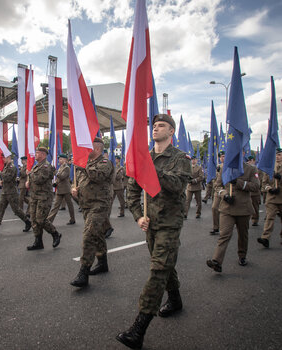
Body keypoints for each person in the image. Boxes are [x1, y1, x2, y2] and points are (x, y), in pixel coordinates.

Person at [116, 114, 191, 350]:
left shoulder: (180, 158)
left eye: (161, 126)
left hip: (170, 223)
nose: (155, 128)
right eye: (154, 125)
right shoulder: (144, 158)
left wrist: (151, 170)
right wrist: (139, 216)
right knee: (164, 265)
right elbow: (132, 192)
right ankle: (176, 300)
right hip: (151, 223)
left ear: (171, 131)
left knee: (158, 270)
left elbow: (178, 185)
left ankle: (139, 328)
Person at [70, 138, 114, 287]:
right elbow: (79, 182)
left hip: (100, 205)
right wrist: (74, 190)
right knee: (98, 234)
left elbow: (98, 176)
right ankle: (102, 263)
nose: (83, 150)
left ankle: (84, 271)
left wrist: (82, 165)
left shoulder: (105, 163)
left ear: (96, 149)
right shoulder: (85, 165)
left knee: (89, 235)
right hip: (87, 205)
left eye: (87, 147)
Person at [207, 154, 259, 272]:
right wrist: (224, 195)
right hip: (227, 207)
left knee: (243, 235)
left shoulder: (251, 169)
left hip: (243, 208)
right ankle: (217, 261)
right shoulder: (226, 168)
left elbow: (256, 186)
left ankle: (242, 255)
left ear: (243, 153)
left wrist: (239, 182)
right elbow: (218, 185)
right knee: (224, 234)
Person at [26, 147, 61, 250]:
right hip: (34, 196)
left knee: (40, 219)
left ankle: (55, 234)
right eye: (36, 153)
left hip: (44, 196)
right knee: (33, 220)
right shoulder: (36, 166)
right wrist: (29, 179)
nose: (35, 155)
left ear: (44, 155)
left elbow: (39, 179)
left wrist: (30, 175)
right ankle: (38, 242)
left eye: (37, 153)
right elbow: (33, 178)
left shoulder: (46, 166)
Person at [0, 154, 31, 235]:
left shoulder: (12, 167)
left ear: (8, 158)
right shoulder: (6, 167)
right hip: (5, 191)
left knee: (16, 210)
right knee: (0, 209)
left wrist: (0, 173)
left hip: (11, 192)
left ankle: (27, 222)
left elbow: (9, 178)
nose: (3, 159)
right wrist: (2, 181)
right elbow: (6, 179)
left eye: (4, 158)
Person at [257, 148, 282, 248]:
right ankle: (265, 237)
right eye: (276, 155)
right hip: (272, 198)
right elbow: (264, 183)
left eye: (279, 155)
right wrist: (269, 189)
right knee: (269, 217)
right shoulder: (269, 167)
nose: (277, 157)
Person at [47, 154, 75, 225]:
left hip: (66, 189)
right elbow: (58, 178)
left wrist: (55, 172)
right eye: (59, 159)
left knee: (70, 205)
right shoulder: (60, 167)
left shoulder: (67, 168)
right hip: (59, 189)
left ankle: (72, 219)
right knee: (55, 206)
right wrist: (55, 183)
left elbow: (62, 176)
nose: (59, 160)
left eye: (61, 159)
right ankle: (49, 221)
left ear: (65, 160)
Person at [210, 151, 225, 235]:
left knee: (225, 210)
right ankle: (216, 227)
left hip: (226, 190)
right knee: (214, 208)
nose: (223, 158)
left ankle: (225, 227)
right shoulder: (218, 167)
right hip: (217, 189)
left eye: (224, 156)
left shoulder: (229, 167)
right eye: (221, 157)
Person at [246, 155, 261, 226]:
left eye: (251, 160)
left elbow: (259, 180)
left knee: (255, 207)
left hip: (255, 192)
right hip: (247, 192)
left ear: (254, 161)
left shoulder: (257, 169)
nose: (249, 162)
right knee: (246, 208)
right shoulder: (245, 169)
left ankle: (255, 219)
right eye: (248, 160)